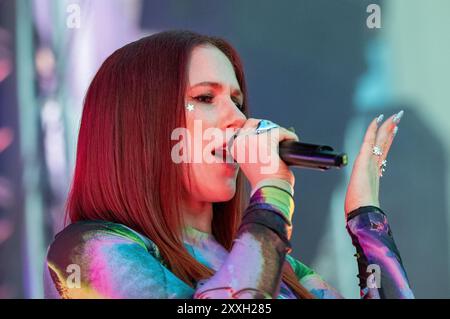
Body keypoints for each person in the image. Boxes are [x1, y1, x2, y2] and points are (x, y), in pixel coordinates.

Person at [43, 30, 414, 299]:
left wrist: (365, 215)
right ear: (140, 123)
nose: (238, 118)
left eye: (237, 101)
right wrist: (271, 191)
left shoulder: (274, 266)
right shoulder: (89, 250)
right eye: (206, 97)